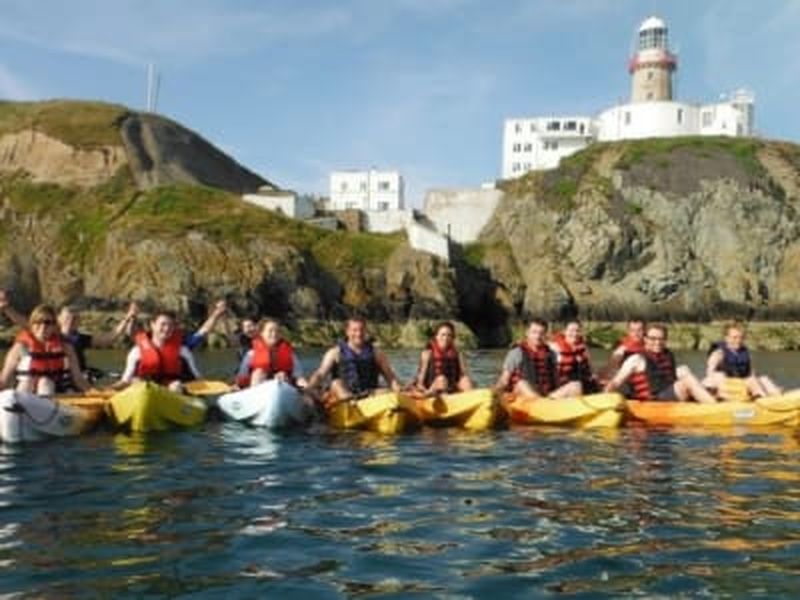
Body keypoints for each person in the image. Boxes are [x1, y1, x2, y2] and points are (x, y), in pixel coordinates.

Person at [0, 290, 137, 382]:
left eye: (74, 319)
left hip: (79, 379)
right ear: (58, 319)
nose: (70, 321)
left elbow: (109, 338)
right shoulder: (46, 331)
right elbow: (26, 323)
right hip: (55, 381)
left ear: (78, 323)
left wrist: (127, 318)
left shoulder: (80, 339)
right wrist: (7, 309)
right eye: (67, 318)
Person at [604, 324, 717, 403]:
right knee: (686, 381)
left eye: (661, 339)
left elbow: (671, 377)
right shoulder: (636, 359)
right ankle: (715, 408)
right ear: (645, 339)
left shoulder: (667, 355)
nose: (657, 342)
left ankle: (709, 399)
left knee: (684, 370)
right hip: (653, 400)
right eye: (653, 339)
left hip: (668, 394)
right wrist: (606, 395)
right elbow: (617, 381)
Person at [307, 317, 401, 406]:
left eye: (362, 330)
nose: (358, 334)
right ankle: (350, 402)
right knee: (336, 383)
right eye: (354, 330)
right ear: (347, 332)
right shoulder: (335, 352)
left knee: (388, 392)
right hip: (343, 395)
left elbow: (390, 377)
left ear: (365, 331)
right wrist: (309, 388)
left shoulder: (377, 353)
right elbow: (320, 374)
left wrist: (398, 391)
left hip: (369, 393)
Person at [0, 304, 92, 395]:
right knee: (26, 383)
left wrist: (93, 392)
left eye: (48, 323)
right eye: (38, 322)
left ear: (54, 326)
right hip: (26, 391)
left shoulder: (66, 348)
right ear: (32, 325)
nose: (43, 326)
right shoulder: (19, 348)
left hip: (57, 391)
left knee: (45, 382)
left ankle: (44, 402)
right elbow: (4, 379)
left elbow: (79, 379)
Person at [494, 319, 581, 399]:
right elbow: (504, 380)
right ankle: (541, 404)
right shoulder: (516, 353)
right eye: (534, 332)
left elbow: (556, 379)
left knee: (576, 385)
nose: (538, 336)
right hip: (523, 398)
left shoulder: (551, 354)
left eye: (541, 333)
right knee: (521, 383)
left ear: (545, 335)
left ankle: (549, 405)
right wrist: (494, 392)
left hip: (546, 398)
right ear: (527, 333)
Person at [115, 310, 201, 392]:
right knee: (136, 382)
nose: (167, 328)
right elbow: (125, 380)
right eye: (163, 324)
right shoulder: (136, 352)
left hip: (173, 390)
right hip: (146, 388)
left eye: (170, 325)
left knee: (176, 386)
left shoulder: (183, 351)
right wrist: (112, 388)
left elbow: (197, 378)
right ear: (153, 325)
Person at [703, 322, 782, 400]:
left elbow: (751, 373)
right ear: (726, 338)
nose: (738, 340)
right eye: (734, 337)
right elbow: (710, 372)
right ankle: (722, 398)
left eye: (740, 338)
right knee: (718, 375)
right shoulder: (718, 353)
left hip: (741, 383)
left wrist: (759, 383)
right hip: (725, 384)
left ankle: (773, 396)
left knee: (763, 379)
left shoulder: (745, 353)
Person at [235, 319, 307, 388]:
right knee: (258, 373)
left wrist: (304, 386)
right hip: (257, 385)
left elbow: (299, 378)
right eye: (270, 331)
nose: (274, 334)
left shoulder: (290, 354)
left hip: (283, 386)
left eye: (278, 331)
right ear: (261, 333)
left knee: (282, 375)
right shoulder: (251, 354)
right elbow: (242, 378)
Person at [414, 321, 474, 395]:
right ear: (436, 336)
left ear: (452, 338)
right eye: (443, 335)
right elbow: (420, 382)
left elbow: (464, 375)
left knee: (466, 380)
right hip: (432, 389)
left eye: (449, 335)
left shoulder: (458, 354)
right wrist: (425, 392)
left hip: (452, 389)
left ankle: (471, 399)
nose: (446, 338)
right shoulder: (427, 354)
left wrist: (467, 384)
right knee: (442, 380)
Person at [549, 320, 599, 394]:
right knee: (576, 385)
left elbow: (591, 370)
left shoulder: (583, 348)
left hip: (583, 385)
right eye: (571, 330)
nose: (575, 334)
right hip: (562, 388)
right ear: (564, 331)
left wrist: (595, 378)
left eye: (577, 331)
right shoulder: (554, 348)